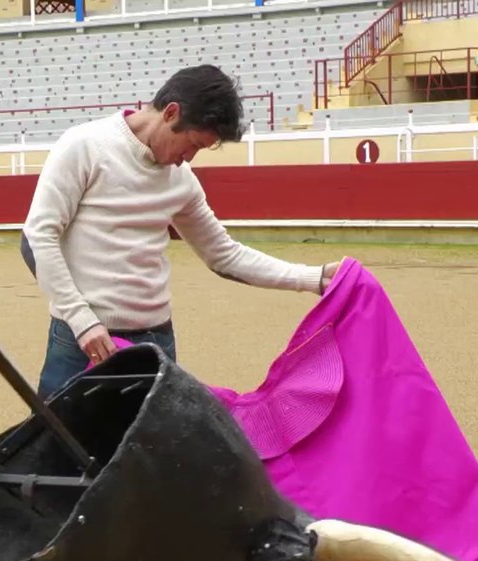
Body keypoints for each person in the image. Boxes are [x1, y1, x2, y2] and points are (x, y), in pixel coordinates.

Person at [19, 65, 341, 399]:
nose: (187, 159)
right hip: (81, 339)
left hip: (155, 342)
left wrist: (314, 278)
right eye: (191, 145)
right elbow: (38, 235)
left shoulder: (182, 180)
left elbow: (225, 254)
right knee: (55, 447)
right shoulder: (84, 146)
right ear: (171, 112)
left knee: (155, 450)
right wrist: (81, 321)